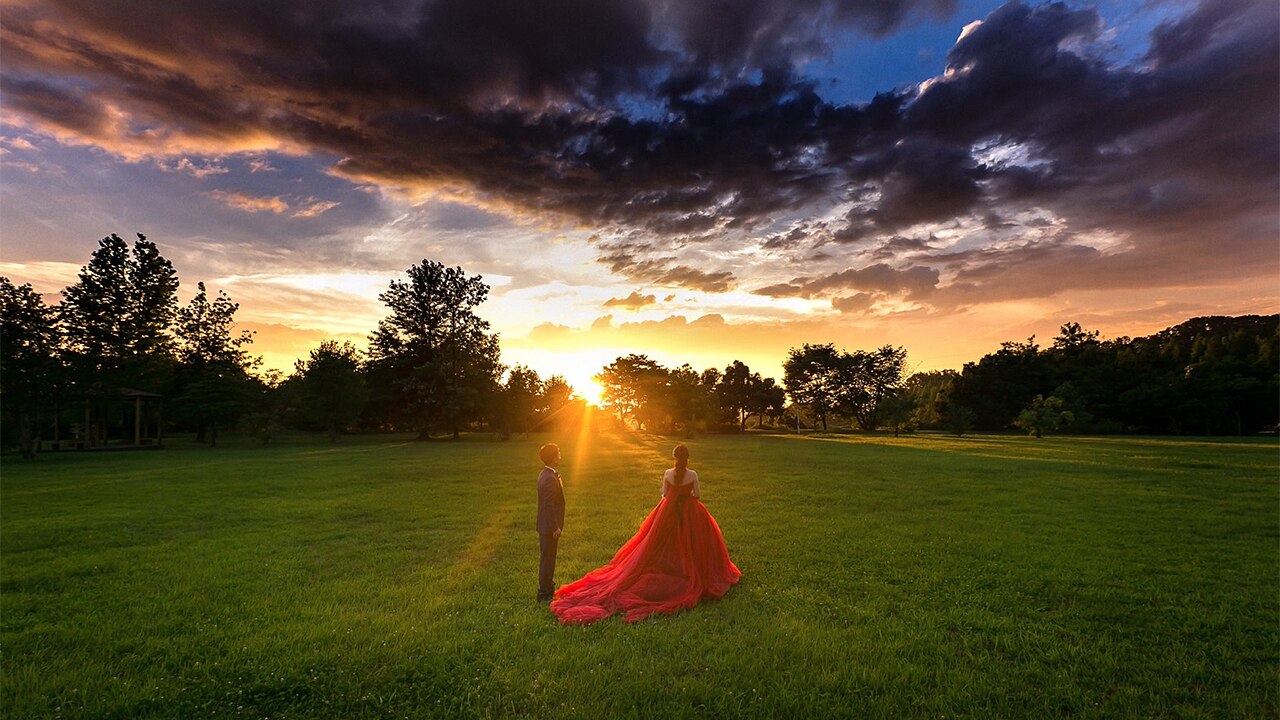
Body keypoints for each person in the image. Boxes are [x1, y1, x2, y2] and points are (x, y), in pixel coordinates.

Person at [550, 444, 741, 623]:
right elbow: (697, 495)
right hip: (690, 511)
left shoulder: (668, 473)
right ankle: (687, 568)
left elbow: (665, 495)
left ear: (674, 457)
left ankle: (669, 566)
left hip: (668, 512)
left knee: (660, 542)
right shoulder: (693, 474)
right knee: (692, 541)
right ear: (687, 458)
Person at [535, 443, 565, 602]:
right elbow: (549, 505)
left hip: (545, 525)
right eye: (558, 453)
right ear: (553, 458)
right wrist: (555, 527)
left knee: (548, 558)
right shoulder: (548, 478)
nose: (560, 456)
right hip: (548, 527)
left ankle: (548, 586)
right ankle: (544, 593)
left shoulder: (547, 474)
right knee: (547, 559)